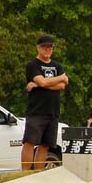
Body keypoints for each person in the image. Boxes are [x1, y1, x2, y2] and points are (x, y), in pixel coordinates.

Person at [23, 34, 68, 171]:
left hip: (53, 112)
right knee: (30, 142)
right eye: (44, 47)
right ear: (38, 48)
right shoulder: (32, 65)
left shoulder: (57, 66)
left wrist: (39, 84)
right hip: (36, 111)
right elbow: (45, 81)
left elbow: (62, 86)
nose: (47, 50)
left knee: (45, 145)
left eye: (50, 47)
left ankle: (38, 172)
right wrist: (60, 78)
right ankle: (24, 174)